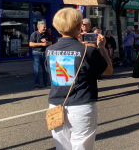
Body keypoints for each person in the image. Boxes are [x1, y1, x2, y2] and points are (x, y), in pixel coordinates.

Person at [46, 8, 113, 149]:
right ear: (78, 27)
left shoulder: (49, 50)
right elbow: (108, 70)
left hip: (56, 107)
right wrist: (101, 47)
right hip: (81, 107)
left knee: (62, 147)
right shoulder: (88, 50)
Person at [29, 21, 52, 89]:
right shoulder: (34, 34)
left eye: (45, 27)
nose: (45, 28)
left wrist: (46, 42)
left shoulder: (46, 34)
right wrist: (41, 44)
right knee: (37, 70)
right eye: (43, 27)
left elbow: (51, 43)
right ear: (39, 27)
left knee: (46, 69)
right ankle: (37, 84)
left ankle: (46, 83)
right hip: (36, 53)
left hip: (44, 53)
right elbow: (31, 44)